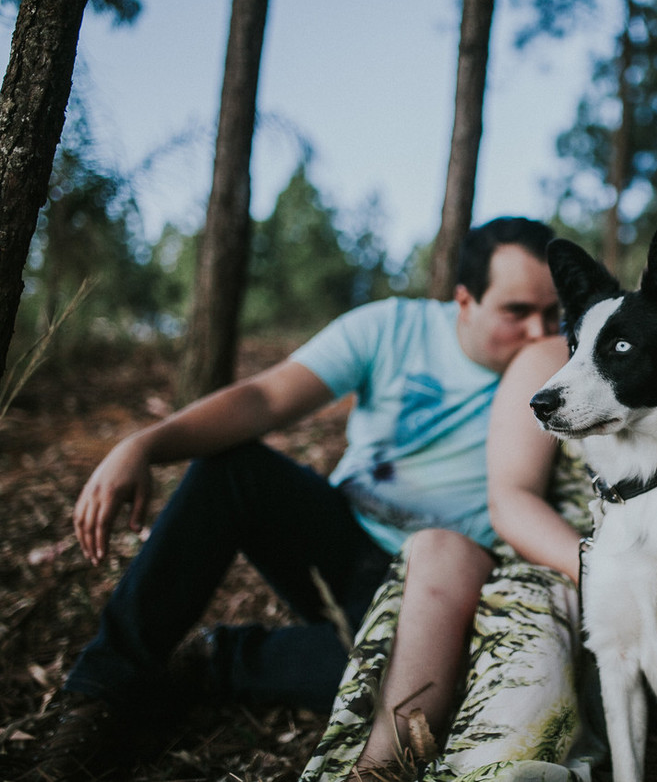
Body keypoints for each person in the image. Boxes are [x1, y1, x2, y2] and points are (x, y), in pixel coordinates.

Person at [302, 215, 657, 781]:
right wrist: (610, 573)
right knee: (514, 694)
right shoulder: (560, 368)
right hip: (563, 580)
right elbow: (510, 498)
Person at [29, 216, 561, 782]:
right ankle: (98, 698)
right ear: (464, 300)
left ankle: (217, 660)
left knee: (425, 689)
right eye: (517, 311)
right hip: (343, 540)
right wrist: (145, 444)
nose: (539, 330)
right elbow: (264, 398)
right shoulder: (393, 327)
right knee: (234, 468)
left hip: (440, 591)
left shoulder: (567, 369)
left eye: (552, 312)